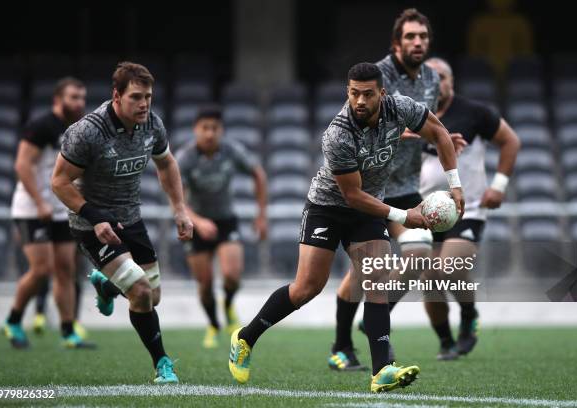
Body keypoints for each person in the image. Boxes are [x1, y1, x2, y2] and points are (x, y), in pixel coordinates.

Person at [228, 62, 464, 393]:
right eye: (354, 94)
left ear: (382, 93)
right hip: (328, 208)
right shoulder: (338, 134)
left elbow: (438, 132)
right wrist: (402, 215)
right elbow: (352, 196)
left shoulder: (400, 108)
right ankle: (245, 338)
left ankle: (382, 369)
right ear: (347, 92)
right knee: (306, 288)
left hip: (368, 210)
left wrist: (455, 185)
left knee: (377, 280)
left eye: (368, 94)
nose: (360, 101)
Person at [329, 8, 466, 370]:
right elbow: (357, 126)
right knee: (365, 269)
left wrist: (439, 140)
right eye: (410, 36)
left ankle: (374, 318)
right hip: (368, 186)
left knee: (418, 256)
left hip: (404, 184)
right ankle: (341, 346)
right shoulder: (375, 77)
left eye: (422, 36)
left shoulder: (433, 80)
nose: (417, 42)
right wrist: (412, 132)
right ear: (396, 42)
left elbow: (425, 129)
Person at [51, 62, 194, 383]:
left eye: (148, 97)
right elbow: (59, 182)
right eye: (136, 97)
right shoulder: (87, 132)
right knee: (141, 293)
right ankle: (163, 365)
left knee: (151, 298)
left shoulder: (152, 125)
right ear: (116, 96)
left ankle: (107, 284)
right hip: (92, 223)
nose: (144, 104)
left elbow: (167, 164)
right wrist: (93, 215)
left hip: (131, 217)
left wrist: (180, 210)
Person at [420, 57, 520, 359]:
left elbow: (511, 141)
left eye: (442, 77)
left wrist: (498, 186)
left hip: (468, 208)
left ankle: (468, 314)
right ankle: (446, 342)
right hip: (424, 213)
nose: (436, 83)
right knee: (429, 281)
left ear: (452, 82)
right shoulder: (413, 114)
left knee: (446, 269)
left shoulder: (474, 112)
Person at [4, 77, 93, 349]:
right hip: (32, 208)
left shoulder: (80, 129)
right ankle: (14, 320)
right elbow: (22, 166)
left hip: (61, 209)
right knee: (41, 270)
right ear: (58, 99)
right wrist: (40, 202)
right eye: (73, 97)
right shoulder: (41, 126)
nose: (79, 103)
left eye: (82, 98)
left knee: (66, 269)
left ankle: (68, 332)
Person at [176, 105, 267, 348]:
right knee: (205, 284)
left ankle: (227, 304)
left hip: (226, 220)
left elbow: (258, 173)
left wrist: (261, 215)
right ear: (196, 130)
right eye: (204, 128)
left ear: (221, 130)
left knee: (232, 277)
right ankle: (213, 325)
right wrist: (198, 220)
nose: (209, 133)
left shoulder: (231, 150)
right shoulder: (185, 157)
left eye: (214, 128)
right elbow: (177, 200)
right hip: (196, 224)